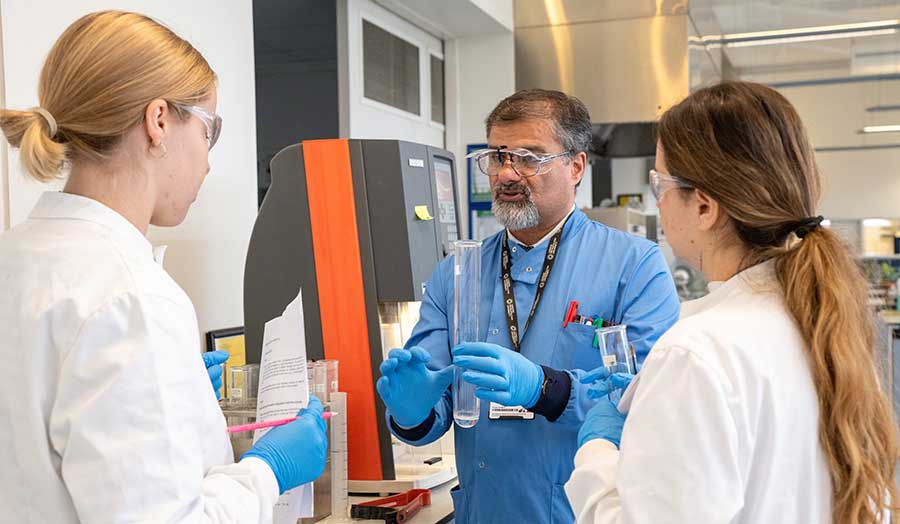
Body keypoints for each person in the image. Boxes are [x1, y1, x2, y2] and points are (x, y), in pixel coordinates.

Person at [0, 11, 327, 523]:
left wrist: (174, 393)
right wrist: (268, 471)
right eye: (208, 131)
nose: (208, 161)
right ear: (158, 122)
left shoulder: (16, 258)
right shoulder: (132, 297)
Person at [565, 81, 900, 524]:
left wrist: (598, 452)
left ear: (704, 207)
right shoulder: (821, 322)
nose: (658, 201)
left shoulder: (694, 354)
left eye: (658, 182)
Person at [375, 89, 681, 523]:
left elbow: (652, 401)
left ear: (576, 166)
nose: (507, 174)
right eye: (498, 157)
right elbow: (438, 410)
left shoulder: (634, 266)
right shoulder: (456, 275)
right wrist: (411, 412)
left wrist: (546, 389)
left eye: (529, 157)